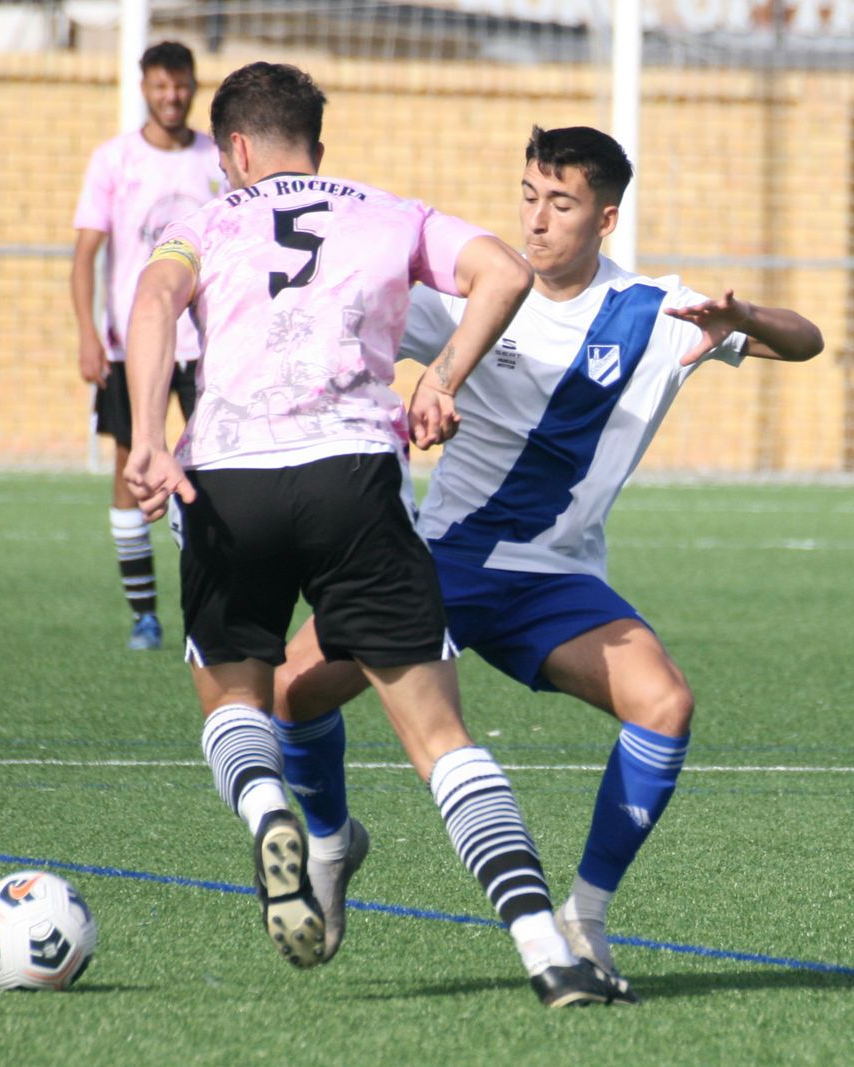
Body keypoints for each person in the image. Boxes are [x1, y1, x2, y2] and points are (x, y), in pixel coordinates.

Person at [123, 64, 632, 1008]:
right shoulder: (387, 210)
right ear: (316, 138)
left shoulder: (207, 220)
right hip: (353, 476)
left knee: (237, 699)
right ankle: (544, 951)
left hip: (229, 475)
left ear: (233, 149)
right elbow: (505, 272)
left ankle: (271, 808)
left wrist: (149, 439)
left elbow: (153, 304)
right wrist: (438, 377)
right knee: (440, 736)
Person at [268, 125, 823, 988]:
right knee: (287, 694)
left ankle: (586, 916)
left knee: (666, 703)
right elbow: (353, 338)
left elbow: (809, 340)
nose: (535, 219)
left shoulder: (657, 311)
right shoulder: (472, 295)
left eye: (559, 203)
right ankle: (336, 841)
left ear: (603, 219)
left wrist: (744, 319)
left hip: (554, 582)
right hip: (439, 563)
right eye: (528, 195)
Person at [71, 40, 221, 651]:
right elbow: (85, 256)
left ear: (192, 86)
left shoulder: (216, 156)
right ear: (144, 86)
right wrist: (88, 334)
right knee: (130, 469)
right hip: (137, 346)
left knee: (216, 471)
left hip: (210, 344)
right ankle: (144, 615)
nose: (172, 96)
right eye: (161, 85)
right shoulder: (115, 160)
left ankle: (211, 605)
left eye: (181, 85)